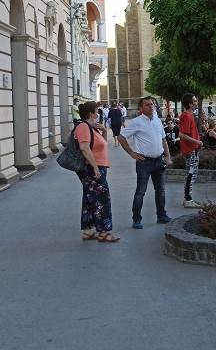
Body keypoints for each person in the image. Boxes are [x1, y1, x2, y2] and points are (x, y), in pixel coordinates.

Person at [117, 96, 172, 228]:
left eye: (152, 104)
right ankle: (137, 219)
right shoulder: (137, 122)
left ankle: (161, 215)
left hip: (159, 161)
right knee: (140, 192)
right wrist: (131, 152)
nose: (151, 106)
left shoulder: (158, 121)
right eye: (147, 105)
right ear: (141, 108)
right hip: (144, 162)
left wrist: (168, 156)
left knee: (161, 190)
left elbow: (163, 140)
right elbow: (121, 137)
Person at [74, 101, 118, 243]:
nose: (98, 113)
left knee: (89, 198)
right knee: (102, 199)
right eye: (97, 111)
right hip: (93, 168)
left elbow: (102, 145)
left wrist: (104, 131)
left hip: (97, 167)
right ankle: (103, 232)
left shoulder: (91, 128)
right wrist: (94, 167)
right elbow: (84, 148)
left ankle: (88, 231)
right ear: (91, 113)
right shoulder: (83, 127)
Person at [178, 93, 203, 209]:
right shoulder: (186, 116)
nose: (196, 103)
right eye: (194, 101)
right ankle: (188, 199)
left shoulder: (189, 115)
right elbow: (182, 135)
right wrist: (197, 142)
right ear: (189, 104)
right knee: (190, 175)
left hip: (193, 150)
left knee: (191, 174)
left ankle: (187, 198)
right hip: (191, 151)